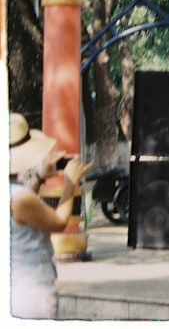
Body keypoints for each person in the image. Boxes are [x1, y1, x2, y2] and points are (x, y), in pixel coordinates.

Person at [9, 112, 92, 318]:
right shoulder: (20, 198)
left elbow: (22, 213)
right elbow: (58, 222)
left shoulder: (16, 194)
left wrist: (39, 178)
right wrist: (70, 184)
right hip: (30, 290)